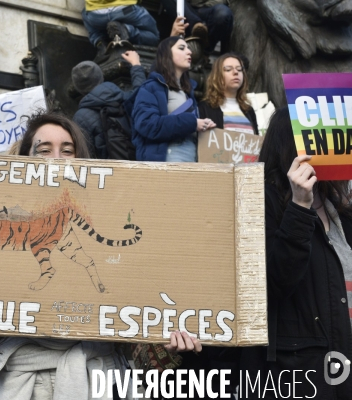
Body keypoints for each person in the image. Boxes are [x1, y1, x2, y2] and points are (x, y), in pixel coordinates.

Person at [0, 110, 202, 399]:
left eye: (67, 150)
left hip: (98, 382)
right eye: (44, 150)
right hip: (18, 384)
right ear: (24, 160)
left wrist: (167, 343)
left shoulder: (93, 215)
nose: (56, 159)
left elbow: (128, 329)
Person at [239, 107, 352, 399]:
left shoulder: (337, 207)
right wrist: (300, 206)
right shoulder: (260, 201)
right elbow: (273, 282)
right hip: (300, 376)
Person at [130, 36, 215, 162]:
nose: (190, 52)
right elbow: (146, 124)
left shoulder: (188, 92)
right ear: (167, 55)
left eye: (188, 48)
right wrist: (193, 123)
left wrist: (203, 126)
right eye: (182, 48)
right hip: (165, 164)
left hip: (192, 164)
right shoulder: (151, 87)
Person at [72, 51, 145, 159]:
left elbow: (85, 155)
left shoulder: (80, 116)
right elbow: (142, 92)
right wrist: (136, 64)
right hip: (138, 163)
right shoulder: (124, 97)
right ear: (101, 77)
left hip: (108, 172)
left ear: (78, 88)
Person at [81, 1, 189, 57]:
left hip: (96, 15)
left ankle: (99, 42)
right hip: (125, 10)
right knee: (153, 35)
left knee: (84, 12)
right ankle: (126, 30)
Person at [198, 52, 259, 135]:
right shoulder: (204, 108)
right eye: (228, 69)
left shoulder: (249, 110)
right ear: (217, 76)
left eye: (239, 69)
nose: (235, 72)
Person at [160, 0, 233, 54]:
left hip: (212, 10)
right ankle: (196, 25)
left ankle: (205, 50)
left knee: (223, 14)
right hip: (187, 10)